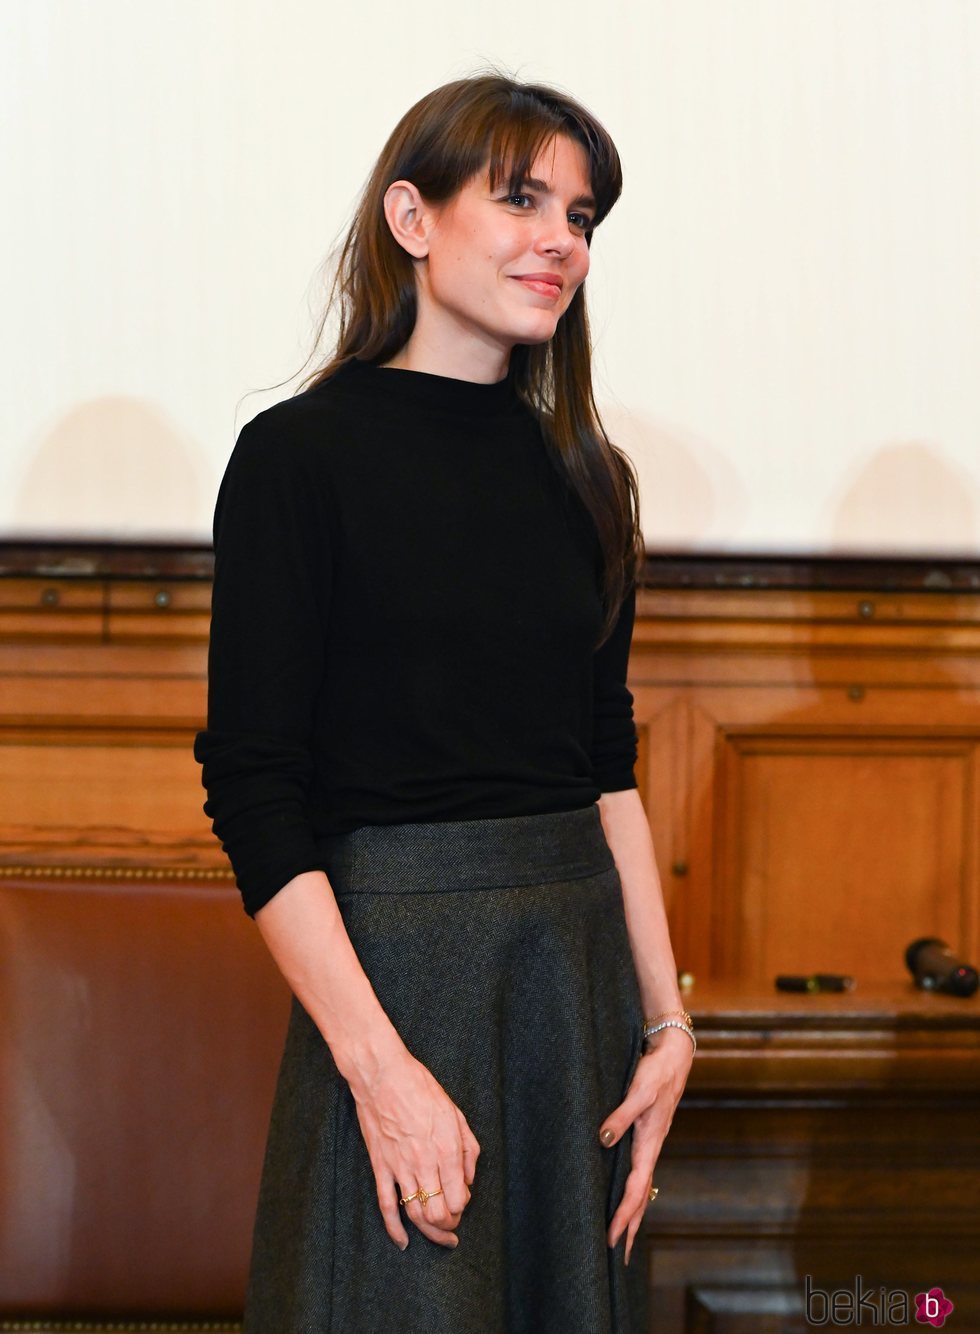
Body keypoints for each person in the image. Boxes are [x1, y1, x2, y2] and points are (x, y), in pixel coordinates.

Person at [193, 68, 695, 1334]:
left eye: (580, 216)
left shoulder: (586, 479)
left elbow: (604, 771)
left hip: (568, 988)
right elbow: (256, 792)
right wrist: (382, 1074)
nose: (557, 241)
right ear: (411, 219)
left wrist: (665, 1020)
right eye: (521, 199)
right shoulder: (296, 460)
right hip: (393, 980)